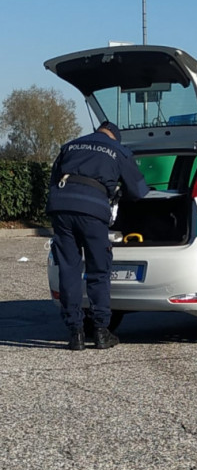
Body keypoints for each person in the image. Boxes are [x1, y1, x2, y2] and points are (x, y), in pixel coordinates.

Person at [47, 121, 149, 351]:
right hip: (92, 212)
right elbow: (139, 191)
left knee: (69, 270)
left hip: (61, 210)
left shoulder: (70, 146)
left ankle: (75, 334)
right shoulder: (118, 150)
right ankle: (101, 331)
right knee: (98, 270)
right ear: (115, 136)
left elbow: (54, 181)